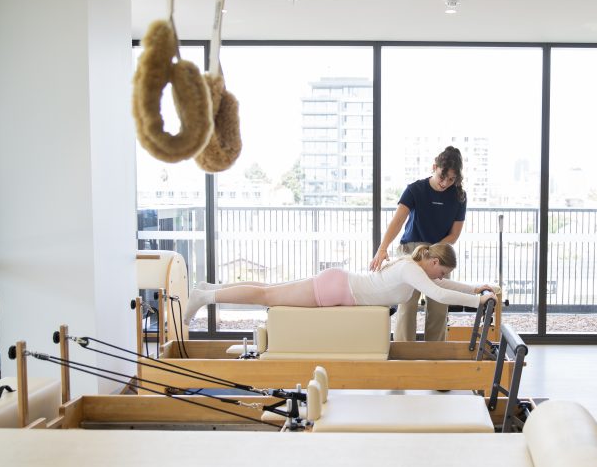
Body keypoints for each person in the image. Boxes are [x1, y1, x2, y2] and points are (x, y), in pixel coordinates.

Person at [183, 243, 495, 321]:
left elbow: (444, 287)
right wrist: (477, 301)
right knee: (266, 295)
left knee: (269, 289)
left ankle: (209, 289)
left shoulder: (413, 267)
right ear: (435, 263)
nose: (442, 277)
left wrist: (474, 289)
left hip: (337, 284)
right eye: (442, 272)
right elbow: (439, 295)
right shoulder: (411, 270)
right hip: (335, 288)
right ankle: (204, 298)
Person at [370, 146, 467, 342]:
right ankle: (404, 352)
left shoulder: (459, 196)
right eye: (442, 177)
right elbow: (397, 221)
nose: (445, 183)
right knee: (407, 305)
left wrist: (434, 251)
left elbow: (454, 235)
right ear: (434, 167)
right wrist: (382, 248)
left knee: (439, 307)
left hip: (440, 253)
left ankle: (435, 353)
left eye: (451, 179)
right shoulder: (415, 189)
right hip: (412, 252)